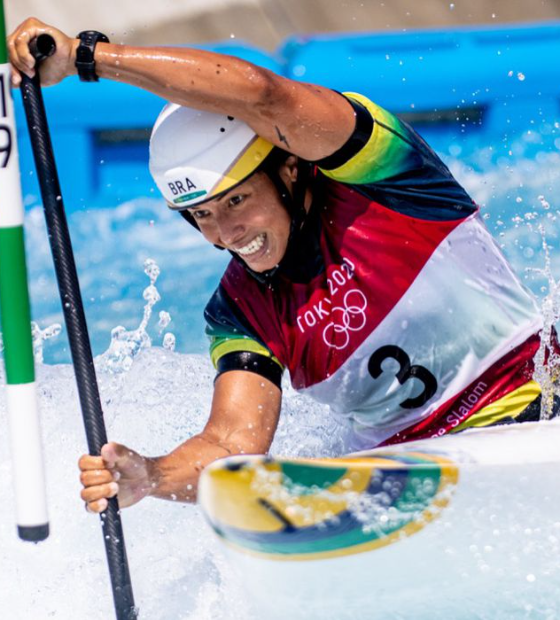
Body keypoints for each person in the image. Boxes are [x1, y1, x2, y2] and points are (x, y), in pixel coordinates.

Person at [8, 18, 551, 514]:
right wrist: (150, 475)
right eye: (201, 215)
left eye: (237, 202)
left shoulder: (382, 174)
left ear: (289, 167)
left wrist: (91, 58)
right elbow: (231, 444)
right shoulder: (239, 311)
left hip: (539, 414)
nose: (224, 234)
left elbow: (266, 95)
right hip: (413, 488)